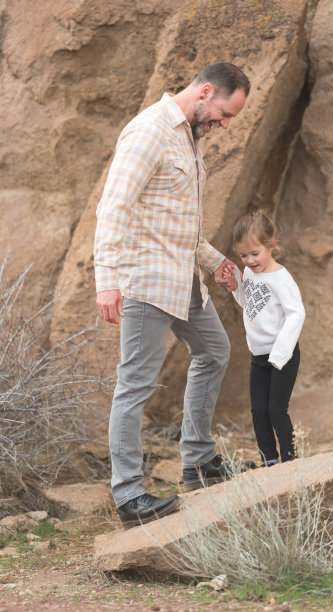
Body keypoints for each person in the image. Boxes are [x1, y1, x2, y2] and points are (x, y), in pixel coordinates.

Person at [94, 63, 250, 529]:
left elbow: (177, 224)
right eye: (224, 113)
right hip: (147, 281)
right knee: (135, 384)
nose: (224, 124)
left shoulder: (188, 137)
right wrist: (107, 279)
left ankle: (198, 465)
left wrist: (216, 262)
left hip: (184, 280)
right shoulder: (149, 131)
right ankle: (129, 497)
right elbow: (113, 208)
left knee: (215, 350)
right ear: (205, 92)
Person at [223, 210, 305, 466]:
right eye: (243, 255)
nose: (249, 260)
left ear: (271, 246)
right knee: (258, 411)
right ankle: (269, 460)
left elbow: (296, 314)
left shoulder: (281, 278)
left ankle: (290, 460)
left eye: (255, 254)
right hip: (258, 354)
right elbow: (251, 305)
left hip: (283, 355)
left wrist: (281, 353)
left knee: (275, 410)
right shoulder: (249, 273)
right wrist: (236, 288)